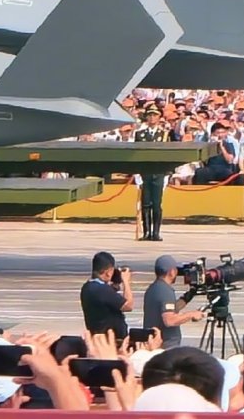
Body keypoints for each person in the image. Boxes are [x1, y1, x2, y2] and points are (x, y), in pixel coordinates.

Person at [143, 255, 205, 347]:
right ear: (172, 272)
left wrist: (189, 295)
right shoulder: (165, 291)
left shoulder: (153, 288)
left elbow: (170, 309)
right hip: (166, 346)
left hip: (156, 344)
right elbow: (169, 320)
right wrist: (192, 314)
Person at [79, 251, 131, 340]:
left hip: (97, 337)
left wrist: (114, 284)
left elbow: (105, 298)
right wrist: (126, 281)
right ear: (108, 272)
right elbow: (128, 306)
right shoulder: (102, 290)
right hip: (112, 341)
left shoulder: (87, 287)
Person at [134, 106, 168, 241]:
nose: (152, 118)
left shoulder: (164, 134)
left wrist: (166, 174)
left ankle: (156, 232)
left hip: (158, 173)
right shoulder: (140, 134)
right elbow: (136, 155)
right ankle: (147, 232)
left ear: (159, 118)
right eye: (150, 115)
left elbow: (167, 156)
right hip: (145, 172)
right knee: (145, 204)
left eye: (155, 115)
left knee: (157, 204)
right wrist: (137, 174)